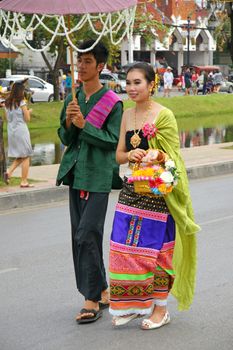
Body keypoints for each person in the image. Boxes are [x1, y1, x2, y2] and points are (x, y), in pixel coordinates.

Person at [109, 62, 200, 329]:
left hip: (158, 194)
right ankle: (134, 305)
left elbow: (174, 157)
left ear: (152, 84)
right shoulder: (127, 115)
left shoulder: (164, 115)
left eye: (137, 82)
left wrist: (156, 154)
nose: (131, 88)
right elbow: (119, 155)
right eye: (128, 83)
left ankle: (160, 309)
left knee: (156, 252)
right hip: (131, 190)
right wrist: (131, 155)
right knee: (123, 247)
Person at [56, 39, 123, 324]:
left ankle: (91, 298)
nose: (81, 67)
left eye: (87, 62)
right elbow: (65, 138)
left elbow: (112, 142)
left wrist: (86, 125)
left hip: (97, 176)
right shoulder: (73, 99)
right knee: (81, 236)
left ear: (101, 66)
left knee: (87, 234)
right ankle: (104, 289)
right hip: (75, 174)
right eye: (78, 61)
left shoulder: (113, 102)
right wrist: (70, 124)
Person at [4, 81, 34, 187]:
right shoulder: (21, 102)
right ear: (20, 91)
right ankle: (24, 181)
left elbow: (7, 118)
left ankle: (8, 172)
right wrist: (29, 112)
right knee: (26, 155)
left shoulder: (7, 103)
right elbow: (27, 119)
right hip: (21, 130)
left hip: (11, 131)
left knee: (22, 155)